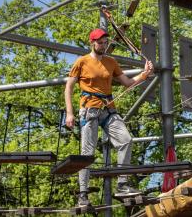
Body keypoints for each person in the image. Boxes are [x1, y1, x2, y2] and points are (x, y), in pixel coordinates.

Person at [65, 28, 154, 206]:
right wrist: (70, 112)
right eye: (100, 42)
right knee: (87, 153)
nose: (103, 45)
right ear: (92, 43)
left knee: (126, 140)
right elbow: (68, 88)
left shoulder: (111, 62)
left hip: (108, 109)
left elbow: (127, 83)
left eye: (106, 42)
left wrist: (145, 74)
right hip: (89, 110)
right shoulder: (81, 62)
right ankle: (83, 194)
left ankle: (122, 184)